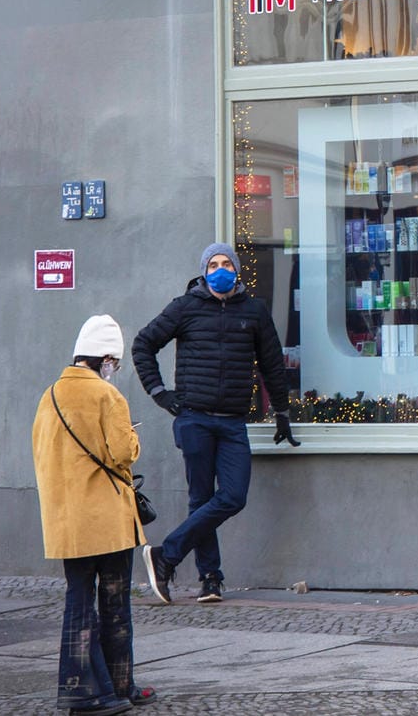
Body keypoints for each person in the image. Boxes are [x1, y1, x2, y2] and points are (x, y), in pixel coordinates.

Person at [133, 242, 296, 605]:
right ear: (204, 271)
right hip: (195, 418)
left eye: (226, 264)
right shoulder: (185, 307)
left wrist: (282, 413)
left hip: (233, 421)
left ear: (237, 270)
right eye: (213, 265)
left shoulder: (253, 311)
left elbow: (271, 363)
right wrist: (160, 393)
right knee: (201, 498)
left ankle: (167, 554)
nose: (220, 270)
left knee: (233, 496)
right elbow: (144, 344)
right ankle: (210, 579)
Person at [32, 314, 158, 714]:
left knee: (79, 599)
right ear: (105, 359)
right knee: (115, 604)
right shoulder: (108, 397)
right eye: (114, 363)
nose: (114, 370)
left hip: (66, 521)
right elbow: (123, 453)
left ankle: (83, 685)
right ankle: (112, 687)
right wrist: (133, 434)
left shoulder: (49, 395)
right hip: (107, 521)